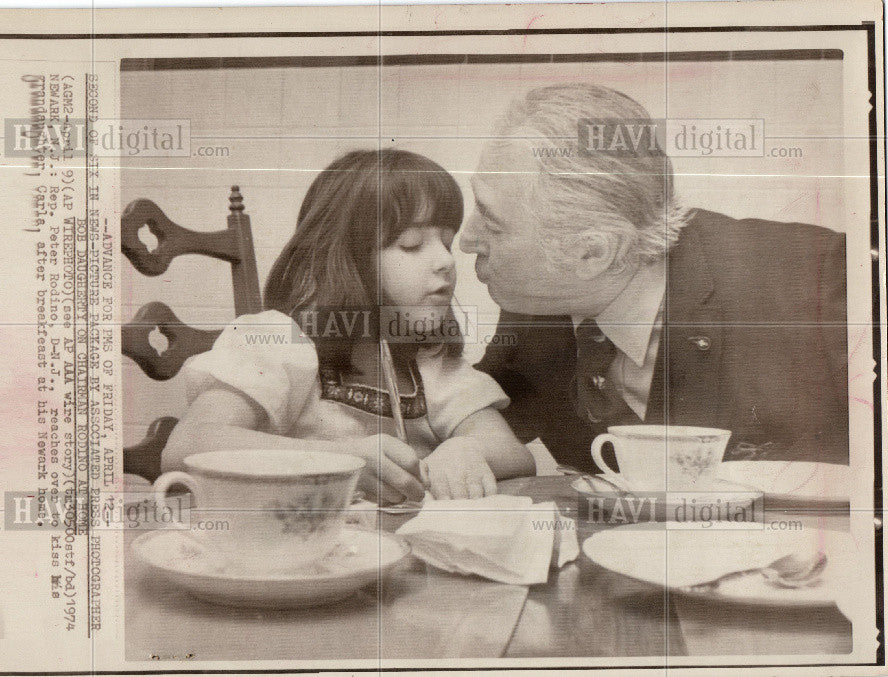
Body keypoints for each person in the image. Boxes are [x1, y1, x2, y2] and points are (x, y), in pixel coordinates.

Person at [461, 84, 849, 472]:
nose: (466, 240)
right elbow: (480, 410)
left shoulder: (821, 279)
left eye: (492, 223)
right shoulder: (541, 300)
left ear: (592, 253)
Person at [162, 149, 535, 503]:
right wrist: (337, 459)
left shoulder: (426, 359)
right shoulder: (278, 341)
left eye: (447, 243)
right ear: (342, 257)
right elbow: (187, 447)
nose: (444, 261)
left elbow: (513, 452)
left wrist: (467, 448)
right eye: (411, 244)